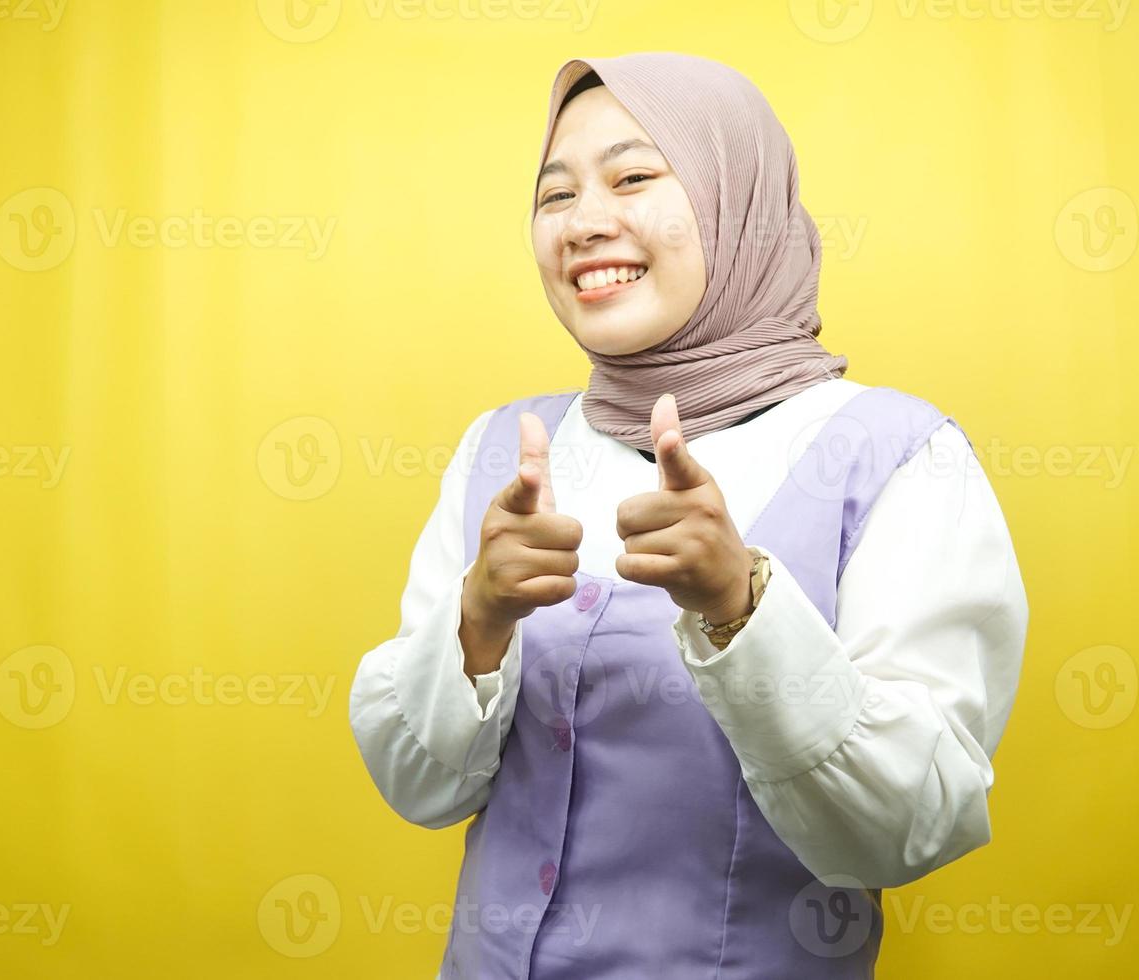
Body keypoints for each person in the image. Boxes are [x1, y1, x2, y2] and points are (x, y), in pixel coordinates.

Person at [349, 51, 1028, 979]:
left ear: (735, 198)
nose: (586, 223)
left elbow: (909, 828)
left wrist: (742, 605)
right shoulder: (503, 454)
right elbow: (418, 787)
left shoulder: (898, 456)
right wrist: (477, 619)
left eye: (634, 176)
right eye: (555, 196)